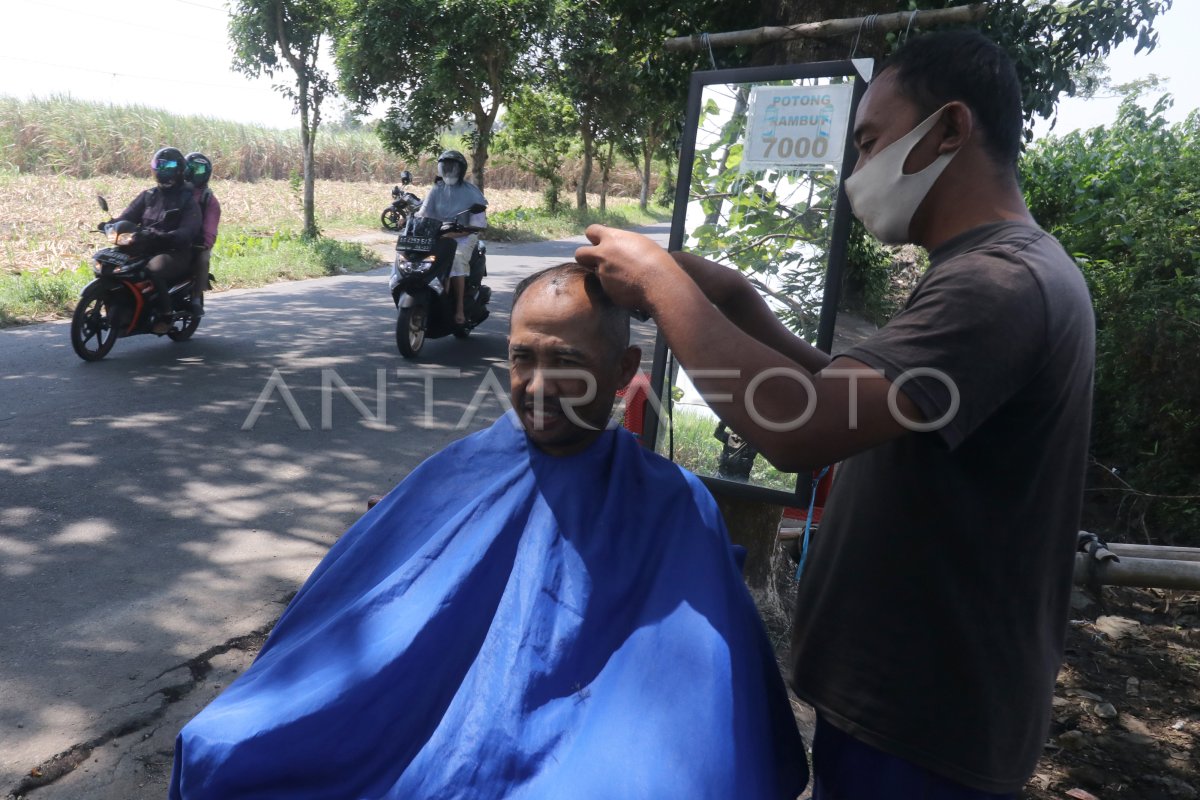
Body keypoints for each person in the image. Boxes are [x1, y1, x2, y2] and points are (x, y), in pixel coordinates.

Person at [576, 30, 1094, 800]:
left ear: (950, 128)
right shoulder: (993, 270)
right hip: (912, 711)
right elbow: (856, 397)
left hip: (925, 727)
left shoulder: (997, 285)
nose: (860, 172)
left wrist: (659, 283)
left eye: (871, 142)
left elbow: (801, 426)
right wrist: (739, 302)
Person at [168, 262, 809, 800]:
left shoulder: (670, 502)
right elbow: (372, 605)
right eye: (521, 358)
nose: (536, 385)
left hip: (581, 740)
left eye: (566, 362)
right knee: (218, 745)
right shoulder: (459, 472)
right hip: (429, 724)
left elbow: (701, 688)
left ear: (623, 370)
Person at [109, 146, 201, 334]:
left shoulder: (187, 200)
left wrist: (162, 236)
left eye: (168, 166)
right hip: (144, 245)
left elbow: (187, 233)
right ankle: (119, 307)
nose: (162, 170)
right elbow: (127, 216)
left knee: (154, 269)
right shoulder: (148, 195)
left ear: (179, 170)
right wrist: (110, 225)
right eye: (159, 165)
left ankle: (166, 315)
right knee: (109, 263)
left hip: (174, 251)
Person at [416, 149, 487, 325]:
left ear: (461, 170)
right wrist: (410, 220)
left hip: (463, 237)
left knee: (455, 260)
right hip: (437, 235)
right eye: (445, 166)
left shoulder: (471, 192)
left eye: (452, 167)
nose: (449, 170)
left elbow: (477, 223)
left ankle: (459, 309)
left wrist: (457, 231)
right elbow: (424, 213)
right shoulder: (436, 189)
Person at [184, 151, 221, 317]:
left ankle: (196, 299)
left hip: (196, 242)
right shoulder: (176, 191)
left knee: (203, 259)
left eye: (198, 170)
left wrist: (205, 242)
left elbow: (211, 227)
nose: (193, 173)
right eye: (191, 169)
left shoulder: (209, 199)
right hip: (174, 237)